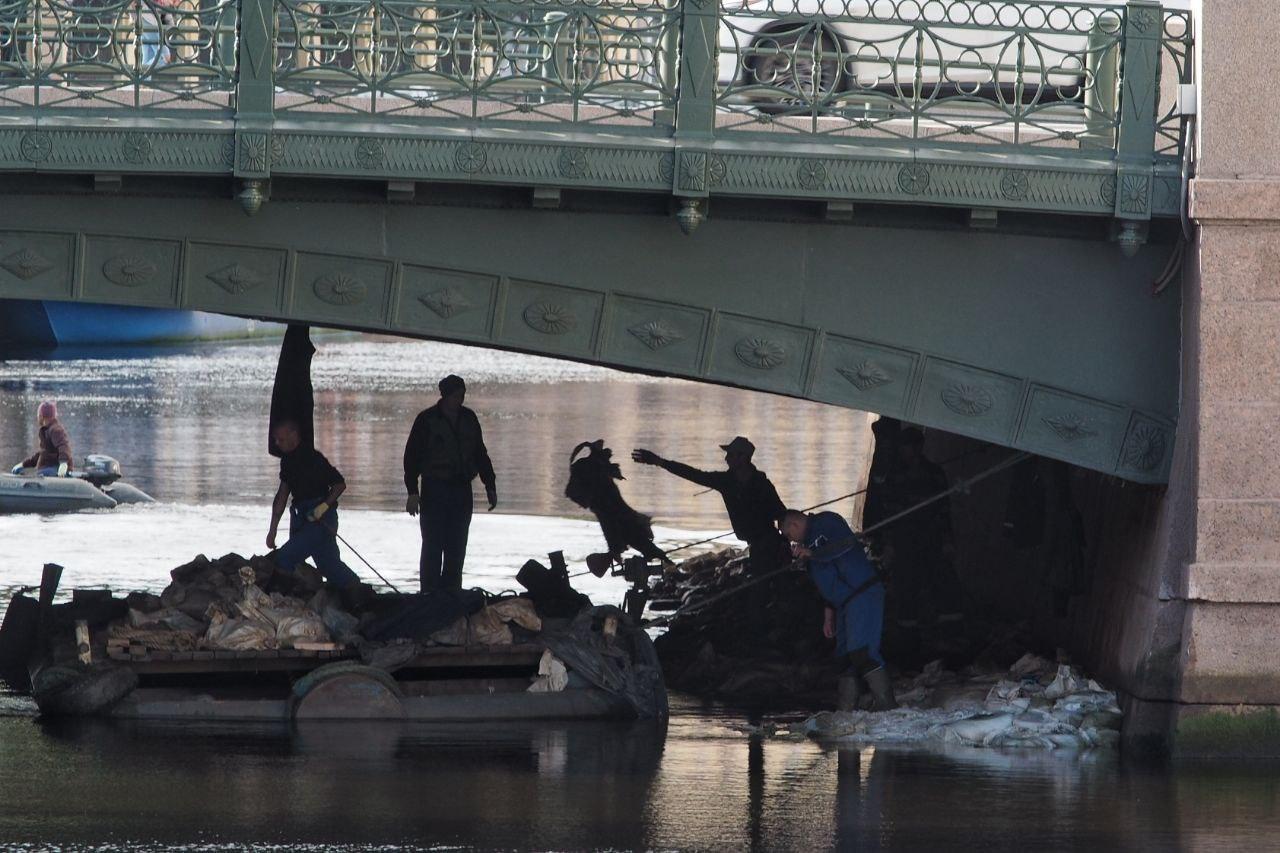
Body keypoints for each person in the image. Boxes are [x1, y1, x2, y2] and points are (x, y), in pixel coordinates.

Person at [781, 508, 896, 711]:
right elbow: (827, 578)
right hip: (843, 602)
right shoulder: (808, 544)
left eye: (790, 535)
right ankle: (846, 708)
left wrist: (813, 553)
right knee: (844, 657)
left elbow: (844, 546)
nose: (793, 541)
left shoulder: (827, 522)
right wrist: (828, 614)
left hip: (862, 593)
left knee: (862, 652)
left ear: (794, 525)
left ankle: (887, 704)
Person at [631, 436, 788, 573]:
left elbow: (781, 514)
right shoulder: (726, 482)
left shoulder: (762, 484)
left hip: (768, 544)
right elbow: (694, 474)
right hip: (755, 545)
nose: (726, 458)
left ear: (743, 458)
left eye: (731, 455)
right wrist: (660, 462)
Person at [403, 375, 497, 592]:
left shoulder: (469, 418)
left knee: (457, 546)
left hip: (461, 491)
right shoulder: (426, 420)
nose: (460, 399)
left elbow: (480, 454)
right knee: (432, 545)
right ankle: (429, 593)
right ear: (445, 395)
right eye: (456, 395)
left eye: (462, 395)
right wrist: (412, 492)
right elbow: (412, 458)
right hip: (435, 490)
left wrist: (490, 485)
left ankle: (452, 593)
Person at [876, 427, 963, 628]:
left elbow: (943, 510)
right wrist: (889, 544)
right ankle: (908, 627)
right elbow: (888, 513)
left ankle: (947, 623)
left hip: (931, 536)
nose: (911, 451)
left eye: (914, 445)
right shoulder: (894, 476)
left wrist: (948, 541)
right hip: (904, 538)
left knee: (940, 578)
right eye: (907, 446)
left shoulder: (935, 473)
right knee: (906, 582)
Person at [265, 420, 358, 589]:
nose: (277, 443)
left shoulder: (314, 458)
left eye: (281, 439)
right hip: (300, 516)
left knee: (285, 558)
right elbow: (282, 496)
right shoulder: (286, 460)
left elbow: (339, 485)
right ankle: (357, 592)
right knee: (328, 565)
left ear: (294, 435)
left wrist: (322, 507)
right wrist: (272, 530)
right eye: (276, 440)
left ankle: (275, 598)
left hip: (321, 519)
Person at [12, 400, 72, 478]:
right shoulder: (46, 430)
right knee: (38, 475)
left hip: (55, 468)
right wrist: (23, 464)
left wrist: (63, 464)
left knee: (39, 476)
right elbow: (42, 453)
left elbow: (63, 446)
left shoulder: (56, 430)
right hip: (48, 468)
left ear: (41, 416)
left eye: (38, 415)